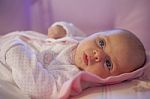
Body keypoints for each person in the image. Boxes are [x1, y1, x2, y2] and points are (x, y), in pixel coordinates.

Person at [0, 22, 146, 98]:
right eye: (101, 43)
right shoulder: (82, 41)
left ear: (111, 79)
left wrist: (16, 50)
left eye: (108, 63)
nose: (98, 55)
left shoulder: (71, 74)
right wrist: (62, 28)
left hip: (7, 59)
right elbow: (73, 29)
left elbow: (38, 87)